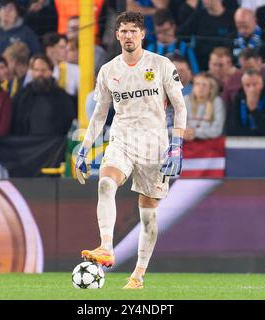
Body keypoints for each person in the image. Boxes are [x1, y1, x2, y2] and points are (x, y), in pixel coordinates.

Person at [75, 11, 186, 289]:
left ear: (142, 34)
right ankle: (106, 247)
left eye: (133, 31)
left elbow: (180, 106)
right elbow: (100, 114)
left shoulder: (160, 65)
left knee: (148, 216)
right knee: (105, 183)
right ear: (117, 35)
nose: (128, 36)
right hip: (122, 139)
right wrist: (85, 147)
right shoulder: (109, 70)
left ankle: (138, 274)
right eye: (123, 31)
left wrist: (176, 145)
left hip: (154, 145)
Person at [11, 54, 75, 136]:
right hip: (26, 145)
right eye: (36, 70)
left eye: (43, 70)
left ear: (51, 71)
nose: (40, 74)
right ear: (32, 72)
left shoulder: (62, 97)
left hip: (55, 144)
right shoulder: (21, 96)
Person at [227, 68, 265, 136]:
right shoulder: (239, 98)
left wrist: (254, 111)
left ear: (262, 84)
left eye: (254, 84)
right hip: (242, 142)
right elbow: (232, 128)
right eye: (247, 85)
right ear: (243, 86)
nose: (251, 89)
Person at [184, 72, 225, 141]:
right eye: (197, 84)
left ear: (211, 88)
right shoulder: (185, 100)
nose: (200, 87)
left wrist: (195, 132)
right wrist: (186, 132)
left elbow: (217, 130)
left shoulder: (217, 101)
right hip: (187, 143)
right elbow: (178, 125)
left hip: (210, 144)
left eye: (204, 85)